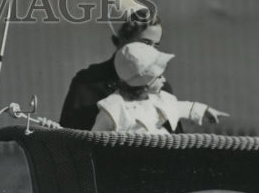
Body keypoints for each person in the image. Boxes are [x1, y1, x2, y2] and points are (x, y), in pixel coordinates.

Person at [59, 0, 172, 130]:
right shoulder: (87, 83)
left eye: (156, 45)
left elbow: (176, 143)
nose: (152, 51)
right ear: (117, 41)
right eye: (145, 43)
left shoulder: (161, 87)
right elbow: (67, 139)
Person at [91, 42, 228, 133]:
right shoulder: (114, 110)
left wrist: (205, 110)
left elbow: (181, 107)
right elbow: (94, 139)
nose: (164, 80)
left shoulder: (156, 100)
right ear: (144, 84)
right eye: (158, 77)